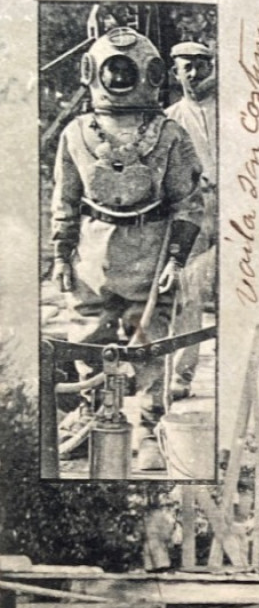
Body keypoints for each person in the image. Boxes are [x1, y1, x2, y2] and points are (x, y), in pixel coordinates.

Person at [51, 28, 204, 455]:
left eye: (128, 70)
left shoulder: (169, 134)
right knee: (87, 335)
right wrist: (62, 255)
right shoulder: (76, 133)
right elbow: (63, 199)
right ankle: (92, 416)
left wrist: (176, 258)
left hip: (150, 250)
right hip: (93, 251)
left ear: (151, 73)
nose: (121, 78)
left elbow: (189, 203)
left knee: (150, 340)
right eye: (113, 70)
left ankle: (150, 426)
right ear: (93, 72)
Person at [163, 40, 217, 394]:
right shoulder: (169, 119)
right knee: (189, 291)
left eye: (202, 65)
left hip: (236, 208)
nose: (196, 73)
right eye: (188, 67)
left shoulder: (232, 111)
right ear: (175, 73)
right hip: (195, 210)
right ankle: (181, 376)